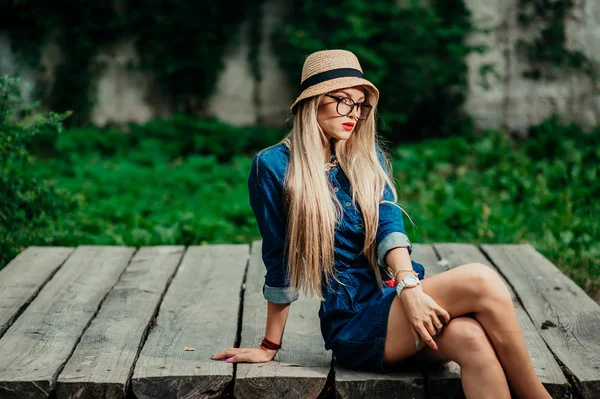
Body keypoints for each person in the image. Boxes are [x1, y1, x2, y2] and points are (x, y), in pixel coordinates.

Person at [211, 49, 551, 398]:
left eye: (359, 104)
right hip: (353, 321)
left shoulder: (365, 156)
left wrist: (409, 289)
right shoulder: (273, 166)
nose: (353, 114)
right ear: (313, 102)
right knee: (481, 279)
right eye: (343, 101)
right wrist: (269, 345)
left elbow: (389, 224)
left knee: (471, 338)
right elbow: (279, 257)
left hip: (394, 297)